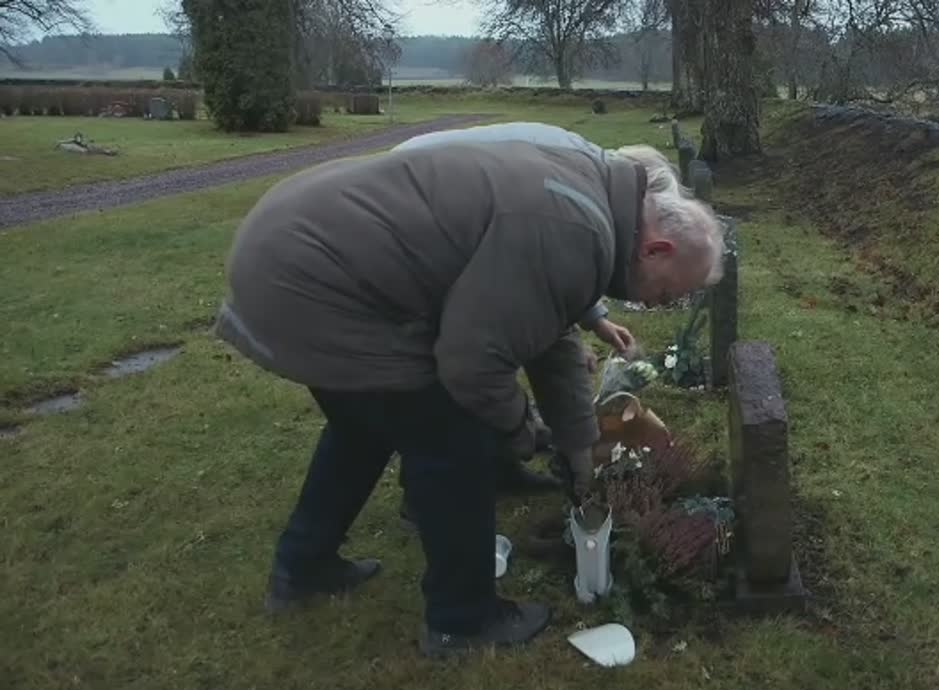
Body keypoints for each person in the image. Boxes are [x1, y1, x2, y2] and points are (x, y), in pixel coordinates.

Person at [212, 131, 724, 657]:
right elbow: (473, 365)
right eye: (667, 293)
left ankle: (303, 567)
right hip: (312, 279)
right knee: (454, 437)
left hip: (288, 244)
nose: (659, 303)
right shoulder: (576, 229)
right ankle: (463, 620)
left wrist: (578, 446)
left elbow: (552, 328)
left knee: (364, 423)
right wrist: (520, 433)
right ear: (656, 249)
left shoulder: (593, 200)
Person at [387, 123, 639, 504]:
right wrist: (543, 434)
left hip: (458, 210)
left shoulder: (584, 179)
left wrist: (595, 318)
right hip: (417, 219)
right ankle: (425, 496)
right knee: (455, 370)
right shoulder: (567, 188)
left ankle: (500, 469)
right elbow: (549, 276)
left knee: (495, 352)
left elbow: (556, 272)